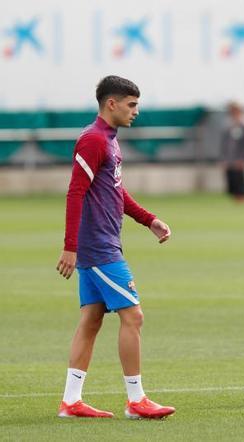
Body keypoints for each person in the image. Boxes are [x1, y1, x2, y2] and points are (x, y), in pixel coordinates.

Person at [55, 75, 176, 419]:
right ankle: (136, 400)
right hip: (98, 247)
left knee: (91, 318)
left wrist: (148, 219)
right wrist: (70, 246)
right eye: (132, 104)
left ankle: (71, 401)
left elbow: (114, 190)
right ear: (112, 103)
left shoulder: (108, 139)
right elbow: (75, 192)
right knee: (133, 316)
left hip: (101, 243)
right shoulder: (93, 140)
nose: (136, 111)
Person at [220, 101, 244, 202]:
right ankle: (235, 198)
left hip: (240, 157)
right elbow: (224, 143)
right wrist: (223, 158)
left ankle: (243, 198)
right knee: (231, 179)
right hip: (229, 157)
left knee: (240, 178)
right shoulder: (228, 124)